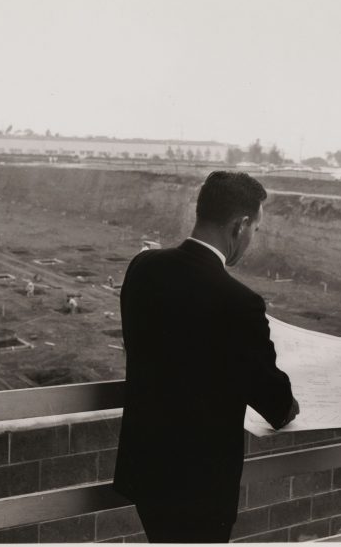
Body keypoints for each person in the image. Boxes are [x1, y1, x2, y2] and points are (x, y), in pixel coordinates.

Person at [113, 171, 299, 543]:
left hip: (146, 470)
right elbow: (278, 408)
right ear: (240, 225)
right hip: (201, 488)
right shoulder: (240, 303)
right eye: (255, 230)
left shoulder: (143, 267)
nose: (252, 240)